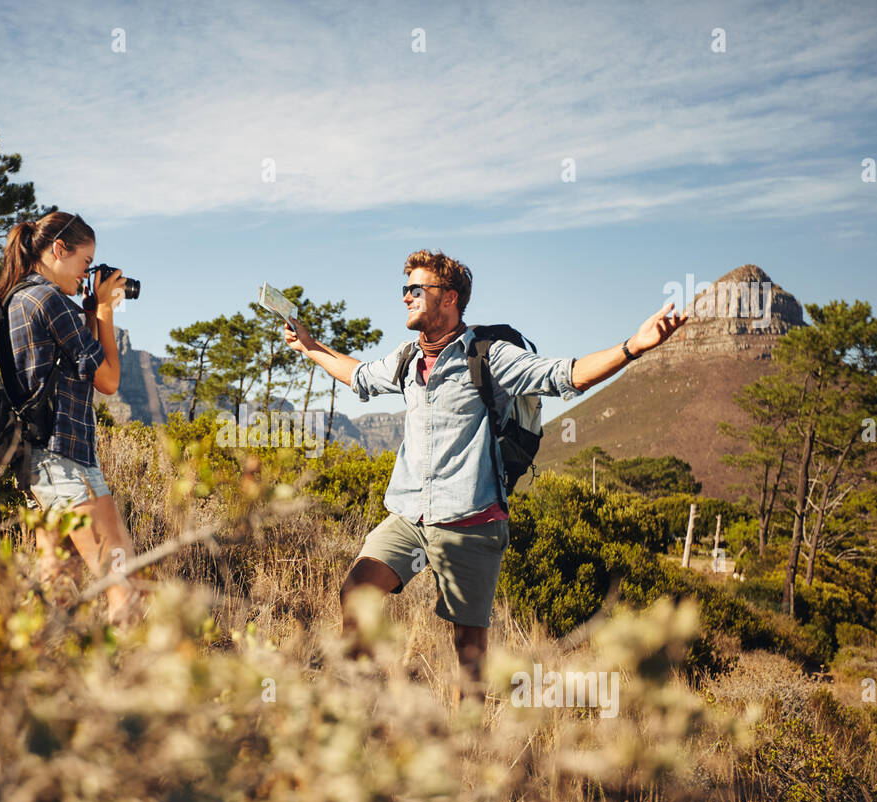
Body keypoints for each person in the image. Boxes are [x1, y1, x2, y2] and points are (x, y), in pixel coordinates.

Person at [284, 249, 687, 699]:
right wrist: (309, 346)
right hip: (409, 518)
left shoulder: (489, 356)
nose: (406, 298)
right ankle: (351, 708)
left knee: (469, 655)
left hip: (470, 523)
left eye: (416, 289)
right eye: (405, 289)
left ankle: (470, 750)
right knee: (356, 593)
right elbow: (358, 376)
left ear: (449, 298)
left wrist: (632, 347)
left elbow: (564, 376)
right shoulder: (406, 359)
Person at [0, 210, 141, 624]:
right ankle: (135, 681)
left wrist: (93, 308)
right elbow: (107, 381)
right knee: (122, 586)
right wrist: (107, 313)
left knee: (57, 588)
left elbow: (78, 367)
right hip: (66, 459)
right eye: (84, 264)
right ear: (59, 249)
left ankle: (47, 675)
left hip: (43, 463)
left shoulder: (23, 297)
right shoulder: (51, 302)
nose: (86, 275)